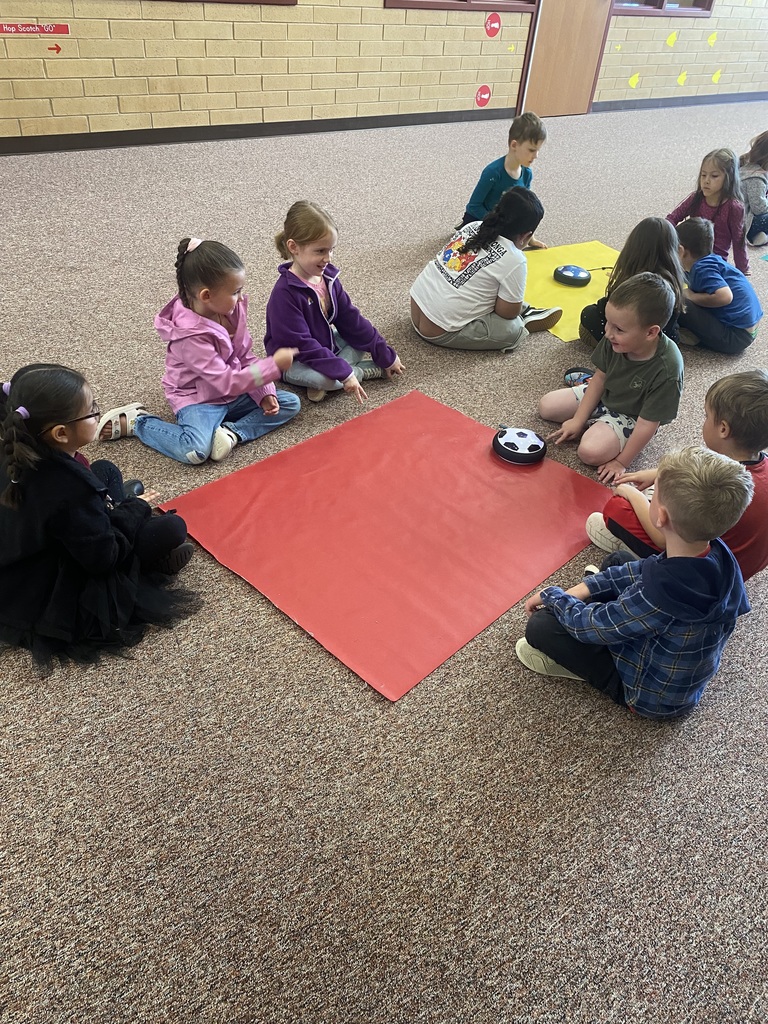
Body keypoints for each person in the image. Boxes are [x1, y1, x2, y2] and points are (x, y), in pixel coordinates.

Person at [515, 446, 753, 720]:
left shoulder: (660, 596)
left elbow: (590, 626)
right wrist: (587, 588)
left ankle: (580, 669)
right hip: (668, 657)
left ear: (661, 516)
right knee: (618, 561)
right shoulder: (717, 554)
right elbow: (645, 568)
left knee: (542, 627)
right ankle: (600, 598)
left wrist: (553, 595)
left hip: (646, 697)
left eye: (653, 496)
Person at [0, 364, 198, 668]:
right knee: (172, 527)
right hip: (59, 577)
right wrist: (135, 510)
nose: (97, 414)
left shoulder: (17, 449)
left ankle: (117, 506)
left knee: (105, 469)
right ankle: (147, 560)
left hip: (27, 548)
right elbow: (103, 556)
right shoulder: (71, 490)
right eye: (92, 412)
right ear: (61, 433)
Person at [99, 238, 301, 464]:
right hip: (199, 399)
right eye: (235, 291)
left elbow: (245, 356)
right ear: (206, 296)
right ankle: (138, 422)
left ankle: (230, 433)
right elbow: (225, 382)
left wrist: (264, 392)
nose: (241, 297)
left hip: (234, 390)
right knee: (195, 451)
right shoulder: (189, 336)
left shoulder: (231, 309)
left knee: (289, 403)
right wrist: (273, 366)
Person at [586, 370, 768, 582]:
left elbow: (665, 539)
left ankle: (639, 556)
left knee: (613, 510)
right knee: (669, 494)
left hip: (699, 575)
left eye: (707, 416)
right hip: (738, 567)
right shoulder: (752, 467)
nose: (704, 421)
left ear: (723, 429)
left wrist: (631, 495)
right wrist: (659, 473)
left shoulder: (712, 488)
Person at [539, 272, 683, 484]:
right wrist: (578, 420)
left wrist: (621, 462)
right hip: (607, 393)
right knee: (546, 406)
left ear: (651, 333)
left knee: (589, 452)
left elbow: (647, 424)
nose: (607, 333)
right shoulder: (615, 337)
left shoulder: (668, 369)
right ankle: (594, 418)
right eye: (608, 323)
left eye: (618, 329)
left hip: (633, 415)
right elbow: (600, 378)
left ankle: (602, 426)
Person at [264, 201, 404, 405]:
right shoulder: (284, 294)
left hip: (326, 343)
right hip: (294, 360)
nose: (328, 258)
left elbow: (351, 319)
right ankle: (357, 373)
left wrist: (384, 353)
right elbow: (303, 345)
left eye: (331, 250)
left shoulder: (328, 278)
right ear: (293, 247)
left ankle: (335, 374)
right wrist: (345, 374)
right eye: (320, 251)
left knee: (361, 338)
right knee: (326, 380)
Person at [410, 188, 562, 353]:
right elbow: (506, 313)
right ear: (526, 236)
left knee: (484, 284)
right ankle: (525, 315)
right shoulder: (515, 259)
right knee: (513, 328)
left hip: (416, 306)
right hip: (439, 330)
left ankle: (525, 310)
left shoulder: (472, 226)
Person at [579, 217, 685, 347]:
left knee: (589, 314)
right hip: (667, 341)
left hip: (637, 343)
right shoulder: (672, 280)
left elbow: (607, 309)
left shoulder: (632, 280)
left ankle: (619, 352)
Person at [458, 111, 548, 249]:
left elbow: (525, 209)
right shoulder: (493, 172)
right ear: (514, 145)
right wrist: (496, 226)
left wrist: (530, 239)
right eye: (531, 150)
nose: (536, 156)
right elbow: (474, 207)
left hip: (502, 223)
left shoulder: (527, 174)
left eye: (537, 150)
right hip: (479, 220)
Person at [675, 218, 762, 354]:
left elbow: (725, 296)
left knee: (679, 300)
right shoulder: (710, 260)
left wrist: (691, 296)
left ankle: (692, 338)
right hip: (747, 331)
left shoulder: (701, 269)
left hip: (735, 338)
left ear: (681, 250)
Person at [667, 147, 749, 274]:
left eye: (714, 176)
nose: (706, 181)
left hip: (713, 262)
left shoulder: (734, 207)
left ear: (729, 178)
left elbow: (738, 241)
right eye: (703, 175)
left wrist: (742, 269)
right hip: (687, 256)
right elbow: (673, 218)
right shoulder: (696, 198)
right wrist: (663, 236)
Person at [739, 130, 768, 246]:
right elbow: (759, 209)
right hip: (745, 221)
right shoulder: (756, 178)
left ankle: (760, 235)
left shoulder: (748, 165)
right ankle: (753, 234)